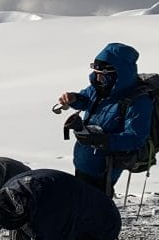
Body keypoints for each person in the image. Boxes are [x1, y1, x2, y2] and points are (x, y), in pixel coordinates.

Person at [56, 42, 151, 196]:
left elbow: (136, 138)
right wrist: (74, 99)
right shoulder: (98, 89)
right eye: (96, 71)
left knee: (95, 207)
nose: (98, 77)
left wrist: (101, 140)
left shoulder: (138, 101)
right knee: (80, 203)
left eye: (103, 73)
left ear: (120, 72)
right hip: (84, 161)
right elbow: (86, 99)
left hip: (105, 169)